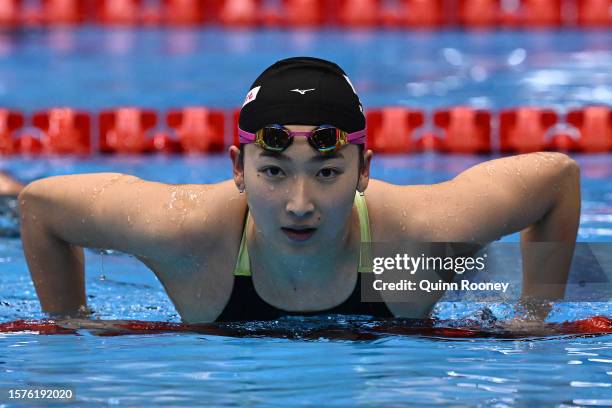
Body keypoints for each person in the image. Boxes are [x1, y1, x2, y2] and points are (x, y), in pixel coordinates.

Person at [18, 57, 581, 324]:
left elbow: (557, 176)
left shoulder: (423, 240)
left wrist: (533, 312)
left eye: (328, 171)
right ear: (238, 166)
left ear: (365, 171)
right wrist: (70, 323)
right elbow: (40, 206)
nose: (300, 203)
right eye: (275, 171)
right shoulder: (187, 234)